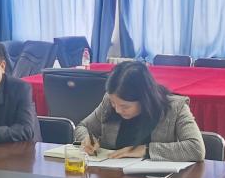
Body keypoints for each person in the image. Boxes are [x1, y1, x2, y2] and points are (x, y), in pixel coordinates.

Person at [75, 61, 204, 162]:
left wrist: (145, 150)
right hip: (112, 177)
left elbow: (196, 148)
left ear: (144, 99)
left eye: (125, 106)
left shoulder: (175, 108)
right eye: (114, 103)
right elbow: (82, 127)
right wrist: (87, 139)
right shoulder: (109, 102)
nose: (118, 110)